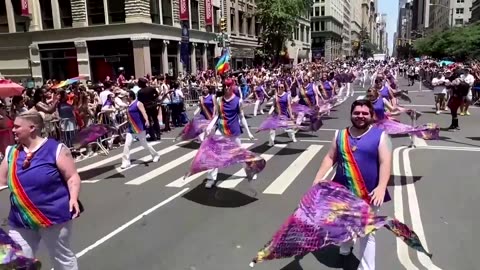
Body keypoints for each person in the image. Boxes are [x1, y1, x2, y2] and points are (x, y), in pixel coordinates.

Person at [312, 99, 392, 270]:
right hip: (342, 192)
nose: (360, 116)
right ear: (351, 114)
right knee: (343, 223)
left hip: (369, 194)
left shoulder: (380, 135)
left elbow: (386, 162)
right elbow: (330, 157)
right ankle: (346, 245)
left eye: (364, 113)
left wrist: (381, 187)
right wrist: (318, 178)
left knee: (367, 233)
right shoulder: (340, 135)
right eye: (357, 113)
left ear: (371, 116)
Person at [0, 112, 81, 270]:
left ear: (32, 128)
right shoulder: (11, 152)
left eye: (17, 127)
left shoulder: (56, 149)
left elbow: (72, 177)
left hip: (52, 215)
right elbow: (1, 181)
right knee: (15, 260)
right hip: (20, 218)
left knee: (60, 258)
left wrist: (73, 198)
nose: (13, 130)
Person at [205, 80, 255, 188]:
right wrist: (209, 127)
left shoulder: (238, 101)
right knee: (213, 154)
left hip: (233, 131)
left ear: (232, 87)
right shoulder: (219, 100)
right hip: (221, 130)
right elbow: (216, 116)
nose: (226, 87)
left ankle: (250, 171)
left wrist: (249, 132)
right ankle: (211, 178)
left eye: (229, 85)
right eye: (225, 86)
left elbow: (242, 116)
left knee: (240, 153)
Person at [121, 91, 160, 169]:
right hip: (131, 128)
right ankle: (125, 162)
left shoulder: (138, 103)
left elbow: (144, 112)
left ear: (131, 96)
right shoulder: (128, 106)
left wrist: (147, 120)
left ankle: (155, 155)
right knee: (127, 144)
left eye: (127, 96)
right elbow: (129, 118)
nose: (125, 97)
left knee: (144, 144)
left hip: (139, 127)